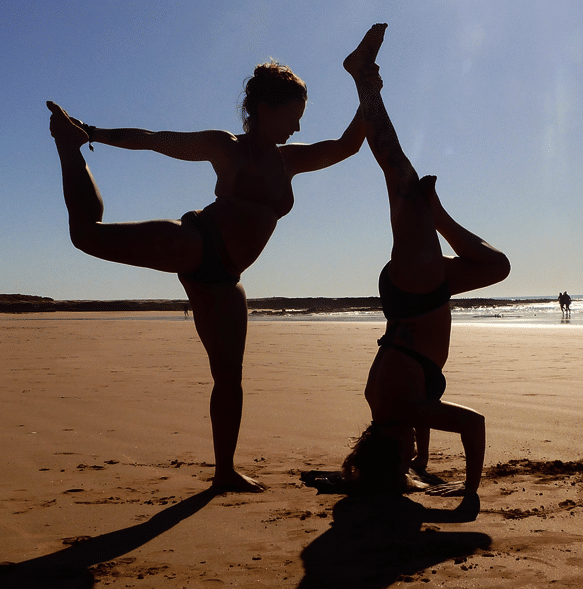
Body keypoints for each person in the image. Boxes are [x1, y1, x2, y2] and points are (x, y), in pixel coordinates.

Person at [47, 59, 372, 493]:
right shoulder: (227, 147)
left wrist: (367, 85)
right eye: (292, 118)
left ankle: (225, 471)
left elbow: (349, 145)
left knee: (229, 376)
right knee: (86, 235)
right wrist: (91, 132)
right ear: (263, 110)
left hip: (225, 278)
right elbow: (155, 141)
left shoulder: (290, 161)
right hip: (194, 242)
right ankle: (69, 147)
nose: (297, 128)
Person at [340, 24, 510, 498]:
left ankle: (362, 79)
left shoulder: (404, 411)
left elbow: (473, 425)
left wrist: (467, 493)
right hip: (420, 295)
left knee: (401, 177)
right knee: (497, 268)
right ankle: (436, 214)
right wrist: (422, 459)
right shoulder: (386, 410)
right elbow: (421, 404)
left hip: (416, 293)